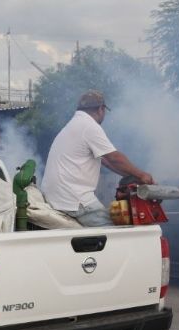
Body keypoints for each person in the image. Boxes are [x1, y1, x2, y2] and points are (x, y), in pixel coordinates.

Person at [41, 90, 154, 227]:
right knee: (117, 233)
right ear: (101, 109)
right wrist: (142, 175)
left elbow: (106, 161)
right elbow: (114, 158)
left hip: (57, 197)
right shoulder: (89, 126)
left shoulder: (73, 125)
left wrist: (132, 175)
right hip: (74, 200)